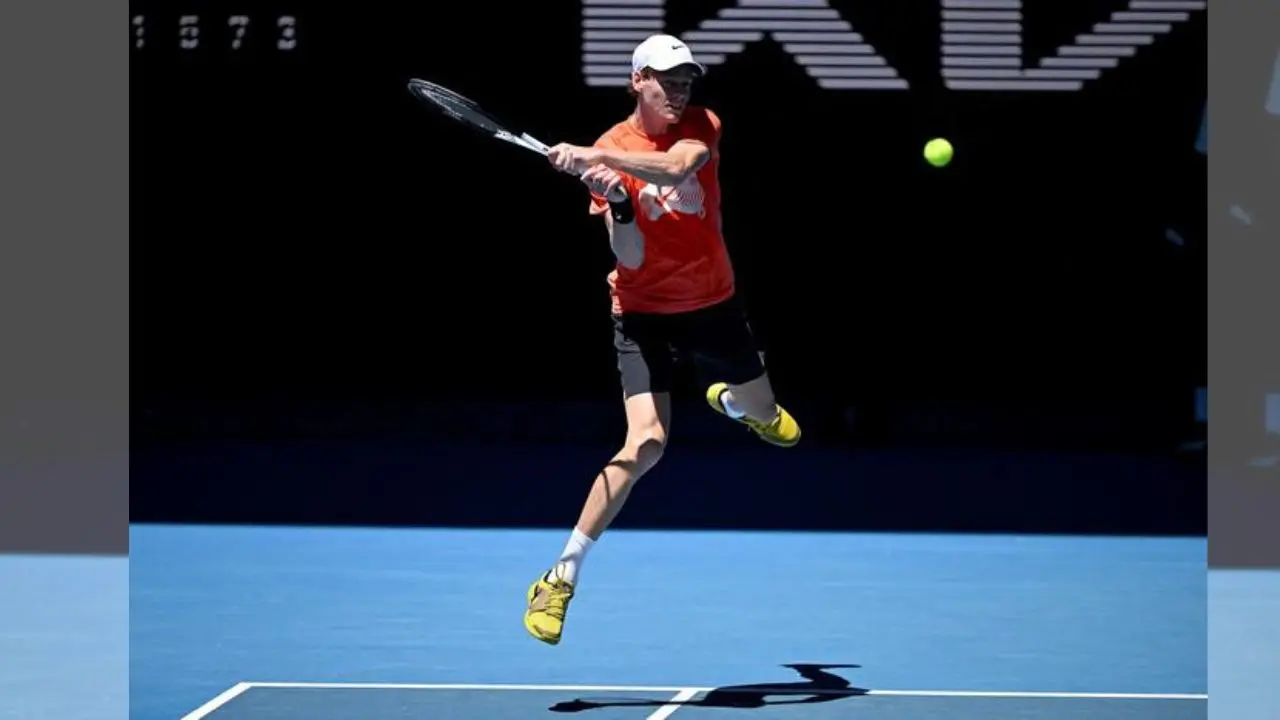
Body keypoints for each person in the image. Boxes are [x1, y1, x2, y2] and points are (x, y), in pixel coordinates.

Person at [522, 34, 801, 646]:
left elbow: (678, 167)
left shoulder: (701, 125)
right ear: (637, 81)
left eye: (685, 81)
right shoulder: (611, 148)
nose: (678, 91)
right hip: (643, 312)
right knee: (645, 444)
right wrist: (616, 201)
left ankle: (734, 405)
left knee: (772, 419)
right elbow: (630, 255)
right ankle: (560, 576)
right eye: (666, 80)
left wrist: (599, 159)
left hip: (714, 304)